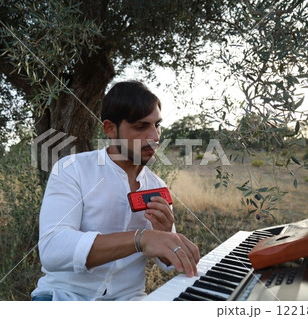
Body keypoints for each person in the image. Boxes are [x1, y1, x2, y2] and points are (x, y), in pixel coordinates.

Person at [31, 81, 200, 301]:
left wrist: (168, 235)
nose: (155, 136)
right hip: (62, 297)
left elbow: (167, 263)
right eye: (141, 127)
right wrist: (140, 238)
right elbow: (53, 249)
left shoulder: (158, 186)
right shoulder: (72, 170)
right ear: (110, 129)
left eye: (157, 125)